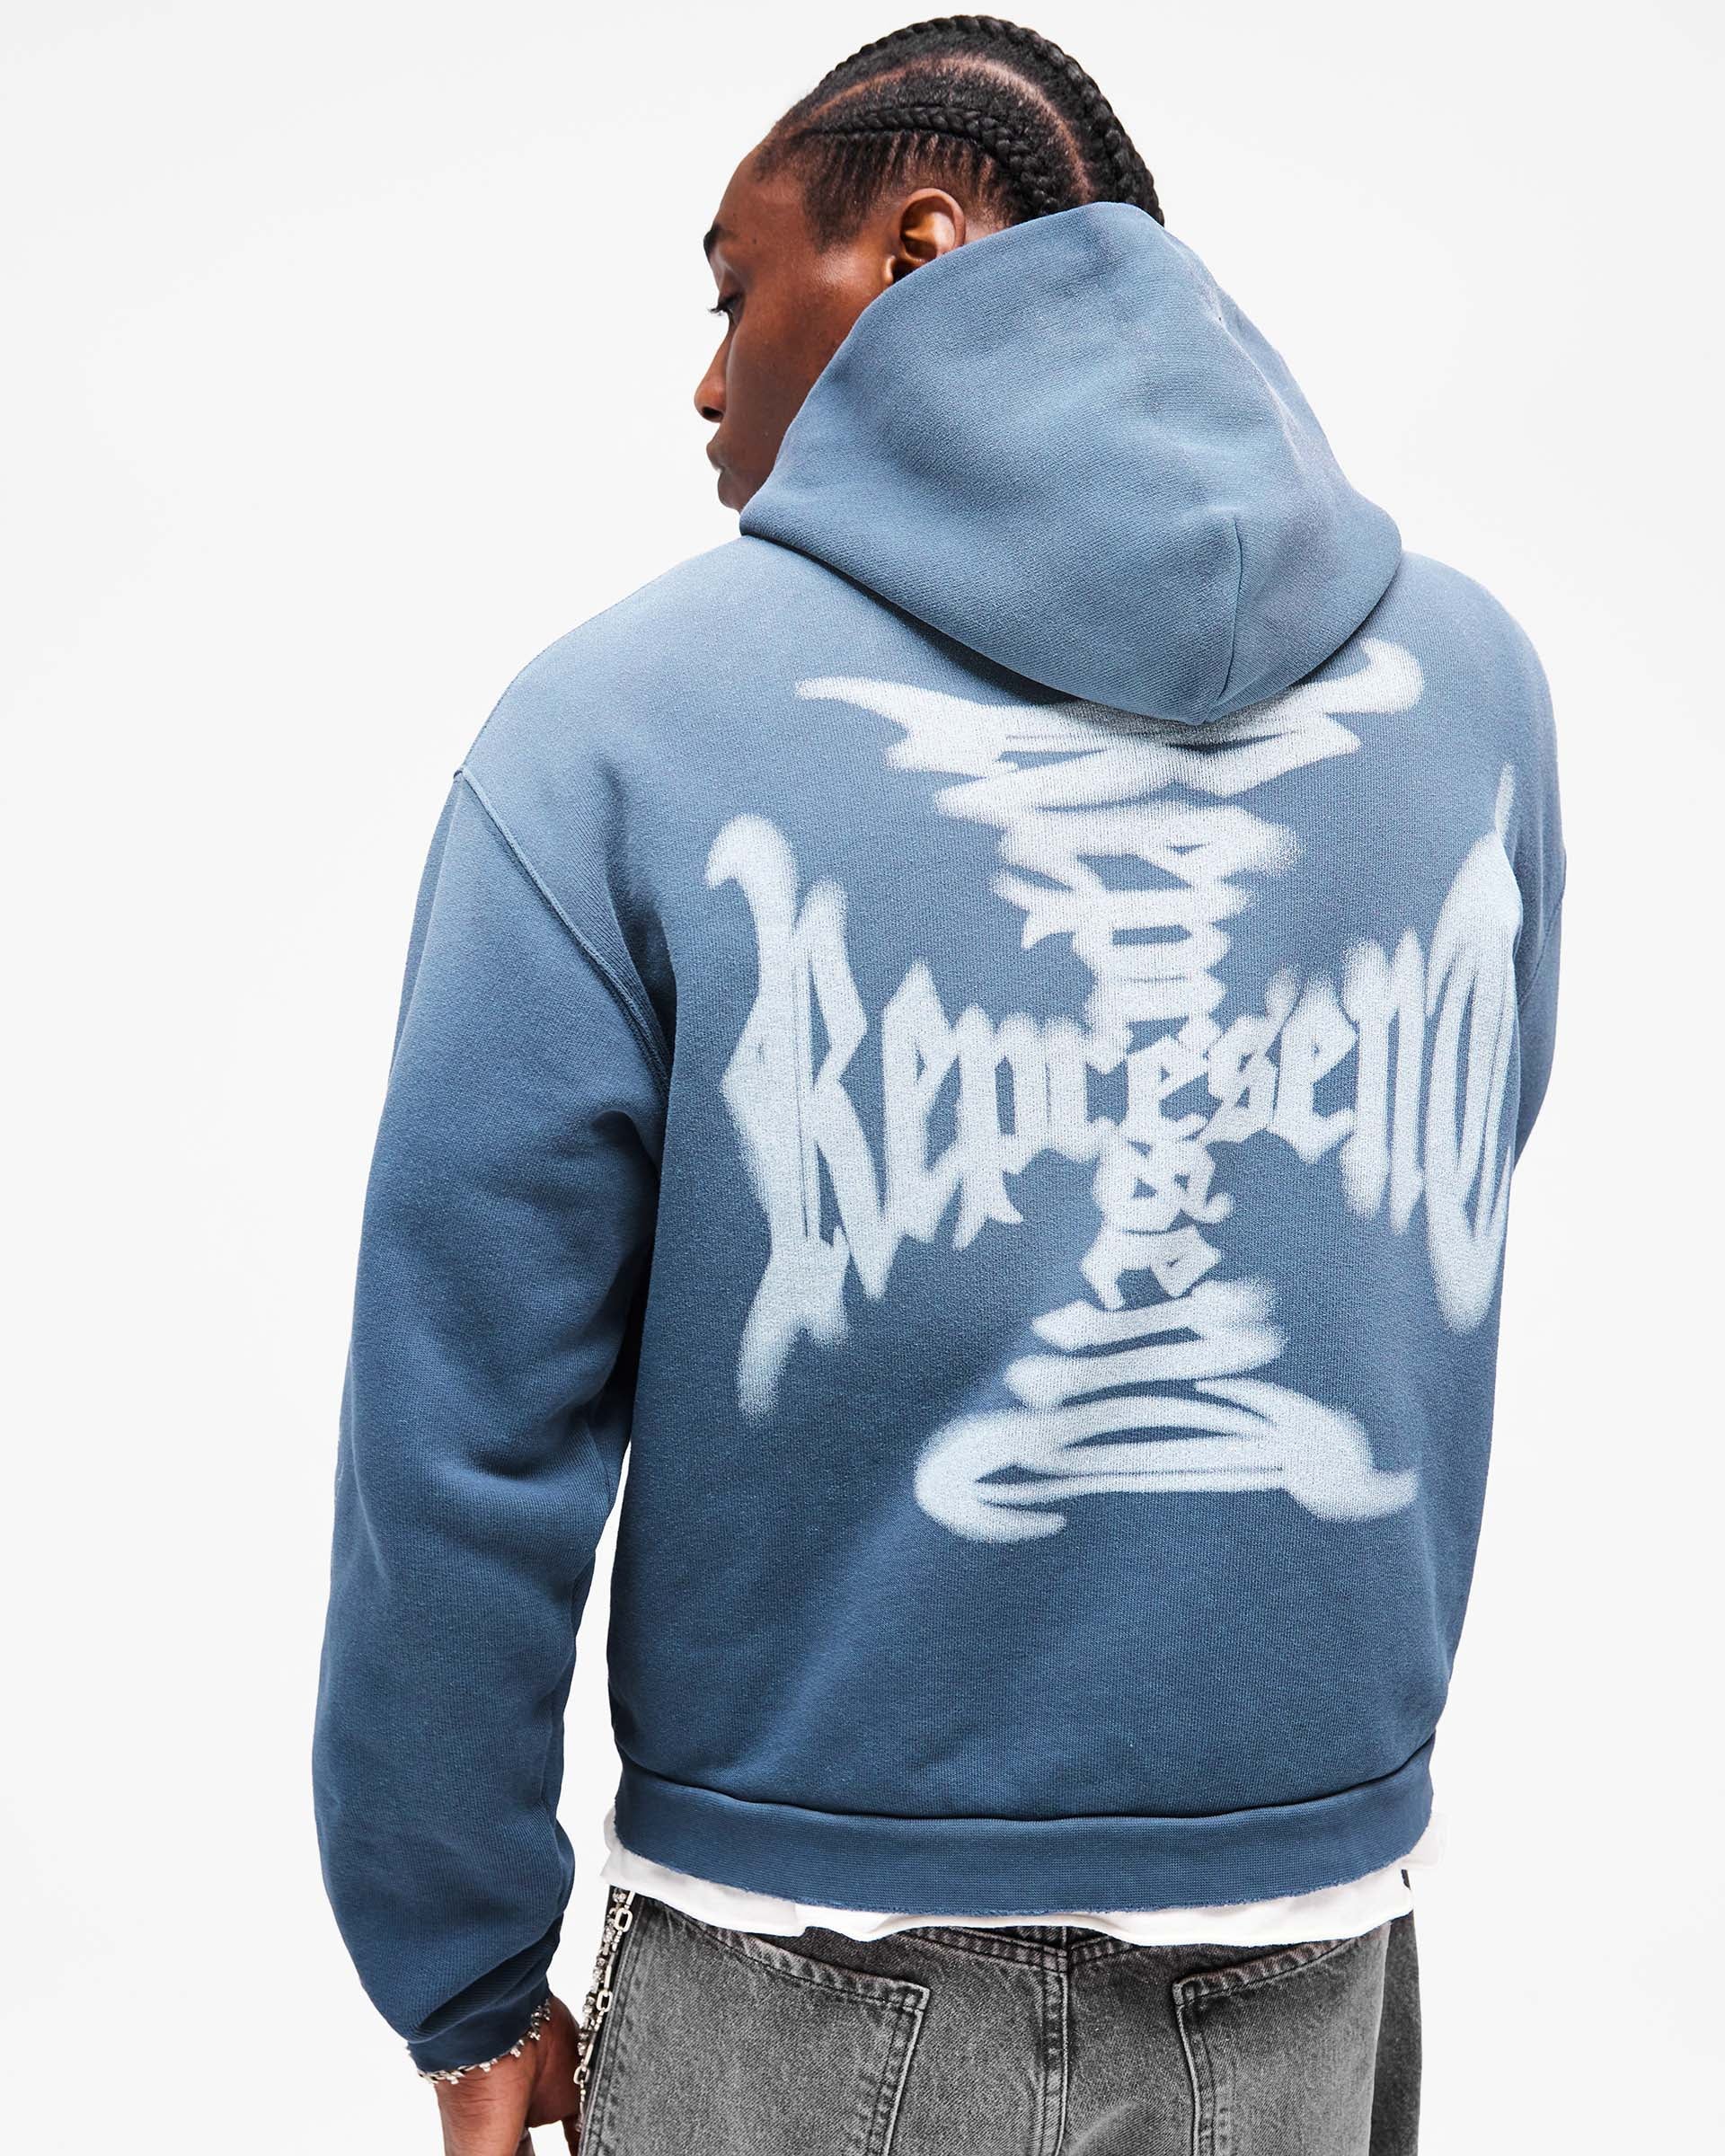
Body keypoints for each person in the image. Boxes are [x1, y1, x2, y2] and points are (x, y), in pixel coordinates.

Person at [314, 17, 1562, 2154]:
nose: (710, 382)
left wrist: (459, 1964)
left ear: (916, 246)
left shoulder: (616, 728)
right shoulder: (1476, 691)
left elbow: (464, 1427)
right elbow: (1439, 1203)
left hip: (799, 1972)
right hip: (1305, 1948)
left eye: (734, 291)